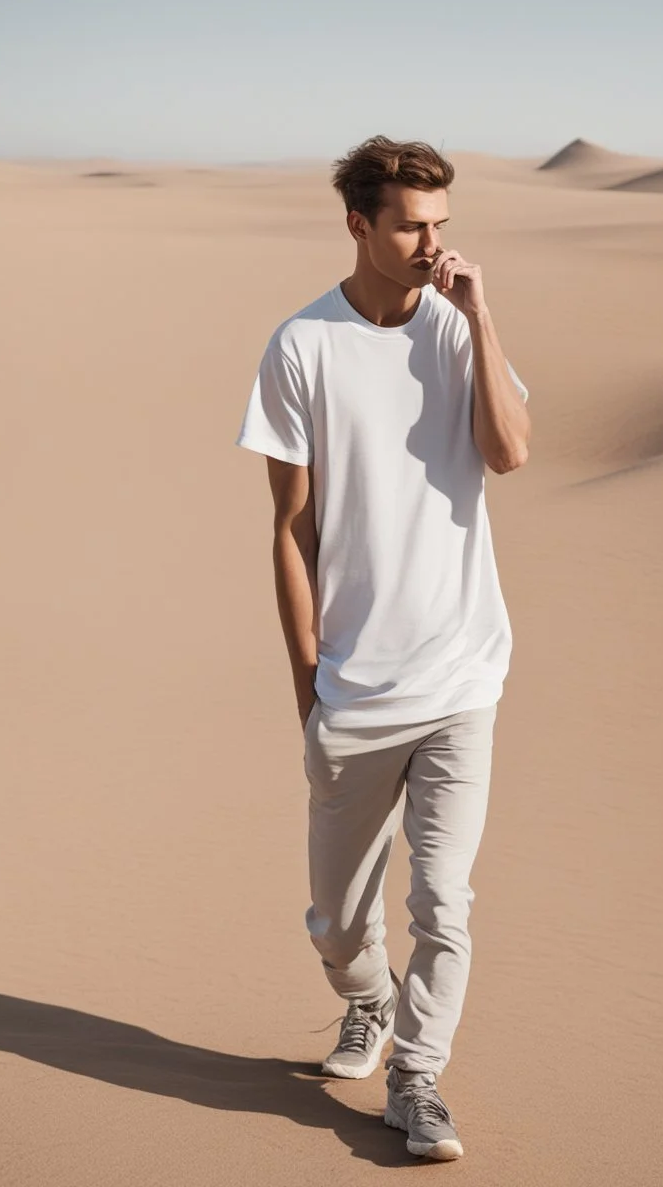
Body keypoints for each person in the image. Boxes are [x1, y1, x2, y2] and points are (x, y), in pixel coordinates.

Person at [236, 135, 531, 1161]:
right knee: (340, 924)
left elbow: (509, 450)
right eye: (411, 224)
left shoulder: (456, 331)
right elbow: (289, 527)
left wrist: (480, 315)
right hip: (354, 688)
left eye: (441, 225)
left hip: (461, 673)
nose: (430, 243)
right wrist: (307, 680)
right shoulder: (301, 346)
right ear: (358, 225)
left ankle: (417, 1080)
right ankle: (364, 1003)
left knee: (445, 898)